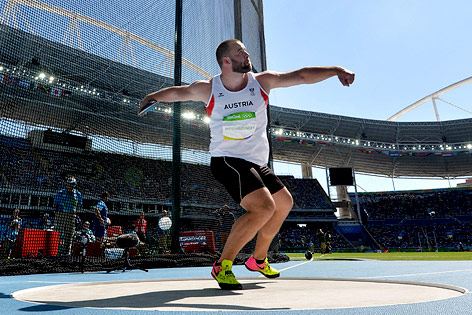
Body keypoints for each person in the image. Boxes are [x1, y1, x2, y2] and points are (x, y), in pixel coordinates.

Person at [139, 39, 355, 289]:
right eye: (240, 52)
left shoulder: (261, 82)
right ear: (226, 61)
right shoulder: (210, 89)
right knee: (264, 207)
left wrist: (336, 70)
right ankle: (223, 265)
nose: (247, 54)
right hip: (227, 159)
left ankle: (258, 260)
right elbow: (179, 92)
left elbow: (301, 76)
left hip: (256, 162)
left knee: (283, 203)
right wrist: (153, 96)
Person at [53, 177, 82, 256]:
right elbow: (55, 205)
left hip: (71, 216)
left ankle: (66, 253)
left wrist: (73, 212)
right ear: (67, 184)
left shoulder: (78, 194)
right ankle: (56, 252)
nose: (71, 186)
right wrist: (58, 214)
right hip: (61, 214)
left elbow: (79, 205)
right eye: (70, 184)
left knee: (69, 234)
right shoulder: (60, 193)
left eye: (73, 184)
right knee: (57, 233)